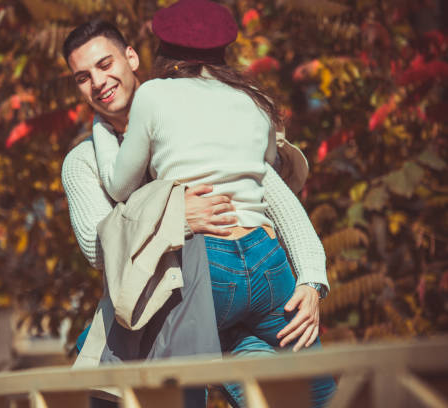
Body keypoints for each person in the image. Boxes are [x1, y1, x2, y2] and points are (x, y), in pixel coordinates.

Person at [61, 13, 334, 408]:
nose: (98, 82)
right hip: (165, 298)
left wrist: (311, 279)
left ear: (132, 58)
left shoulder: (190, 121)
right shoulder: (83, 160)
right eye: (83, 77)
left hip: (224, 289)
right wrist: (174, 216)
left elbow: (276, 199)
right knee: (114, 379)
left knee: (298, 398)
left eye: (105, 65)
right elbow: (95, 248)